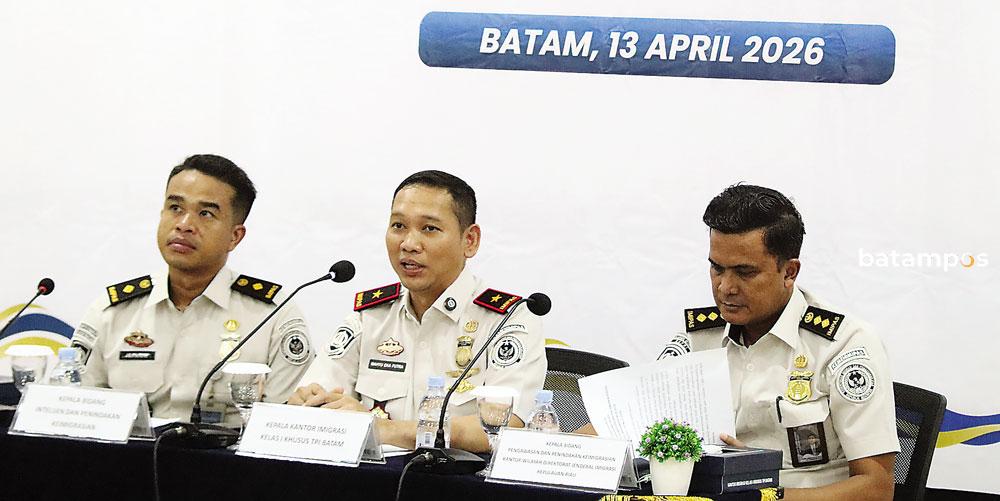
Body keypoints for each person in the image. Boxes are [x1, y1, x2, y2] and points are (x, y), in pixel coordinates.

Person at [660, 184, 898, 499]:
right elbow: (632, 425)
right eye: (717, 268)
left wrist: (763, 495)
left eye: (745, 272)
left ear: (789, 272)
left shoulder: (843, 345)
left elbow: (876, 488)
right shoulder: (697, 338)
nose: (726, 287)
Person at [290, 170, 546, 452]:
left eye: (429, 229)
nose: (409, 244)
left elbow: (503, 426)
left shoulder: (508, 320)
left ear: (470, 240)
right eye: (398, 226)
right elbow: (315, 392)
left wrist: (382, 429)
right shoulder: (370, 315)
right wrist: (309, 401)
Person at [70, 154, 313, 426]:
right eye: (175, 207)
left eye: (205, 213)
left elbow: (285, 425)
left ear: (234, 236)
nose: (184, 224)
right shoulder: (112, 311)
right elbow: (75, 409)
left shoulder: (273, 317)